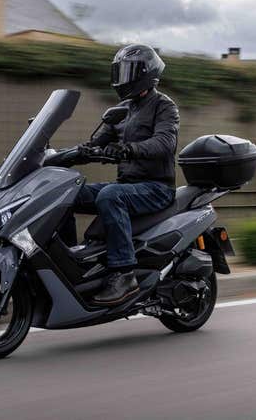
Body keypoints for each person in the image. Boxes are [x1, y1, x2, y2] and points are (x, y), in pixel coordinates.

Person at [73, 44, 180, 306]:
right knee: (69, 192)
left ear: (146, 74)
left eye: (128, 71)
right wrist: (74, 152)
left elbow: (165, 143)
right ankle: (69, 263)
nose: (123, 78)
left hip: (155, 188)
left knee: (111, 196)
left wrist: (128, 149)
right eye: (120, 71)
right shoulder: (122, 109)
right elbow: (97, 142)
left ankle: (124, 273)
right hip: (128, 186)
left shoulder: (164, 106)